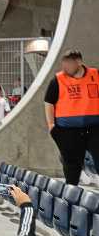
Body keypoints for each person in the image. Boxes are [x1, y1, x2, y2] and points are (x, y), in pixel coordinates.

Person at [44, 49, 99, 185]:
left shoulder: (95, 75)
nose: (65, 67)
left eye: (69, 63)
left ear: (79, 62)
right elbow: (49, 102)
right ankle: (71, 193)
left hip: (94, 128)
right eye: (64, 63)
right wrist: (51, 125)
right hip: (67, 130)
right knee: (71, 167)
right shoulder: (58, 80)